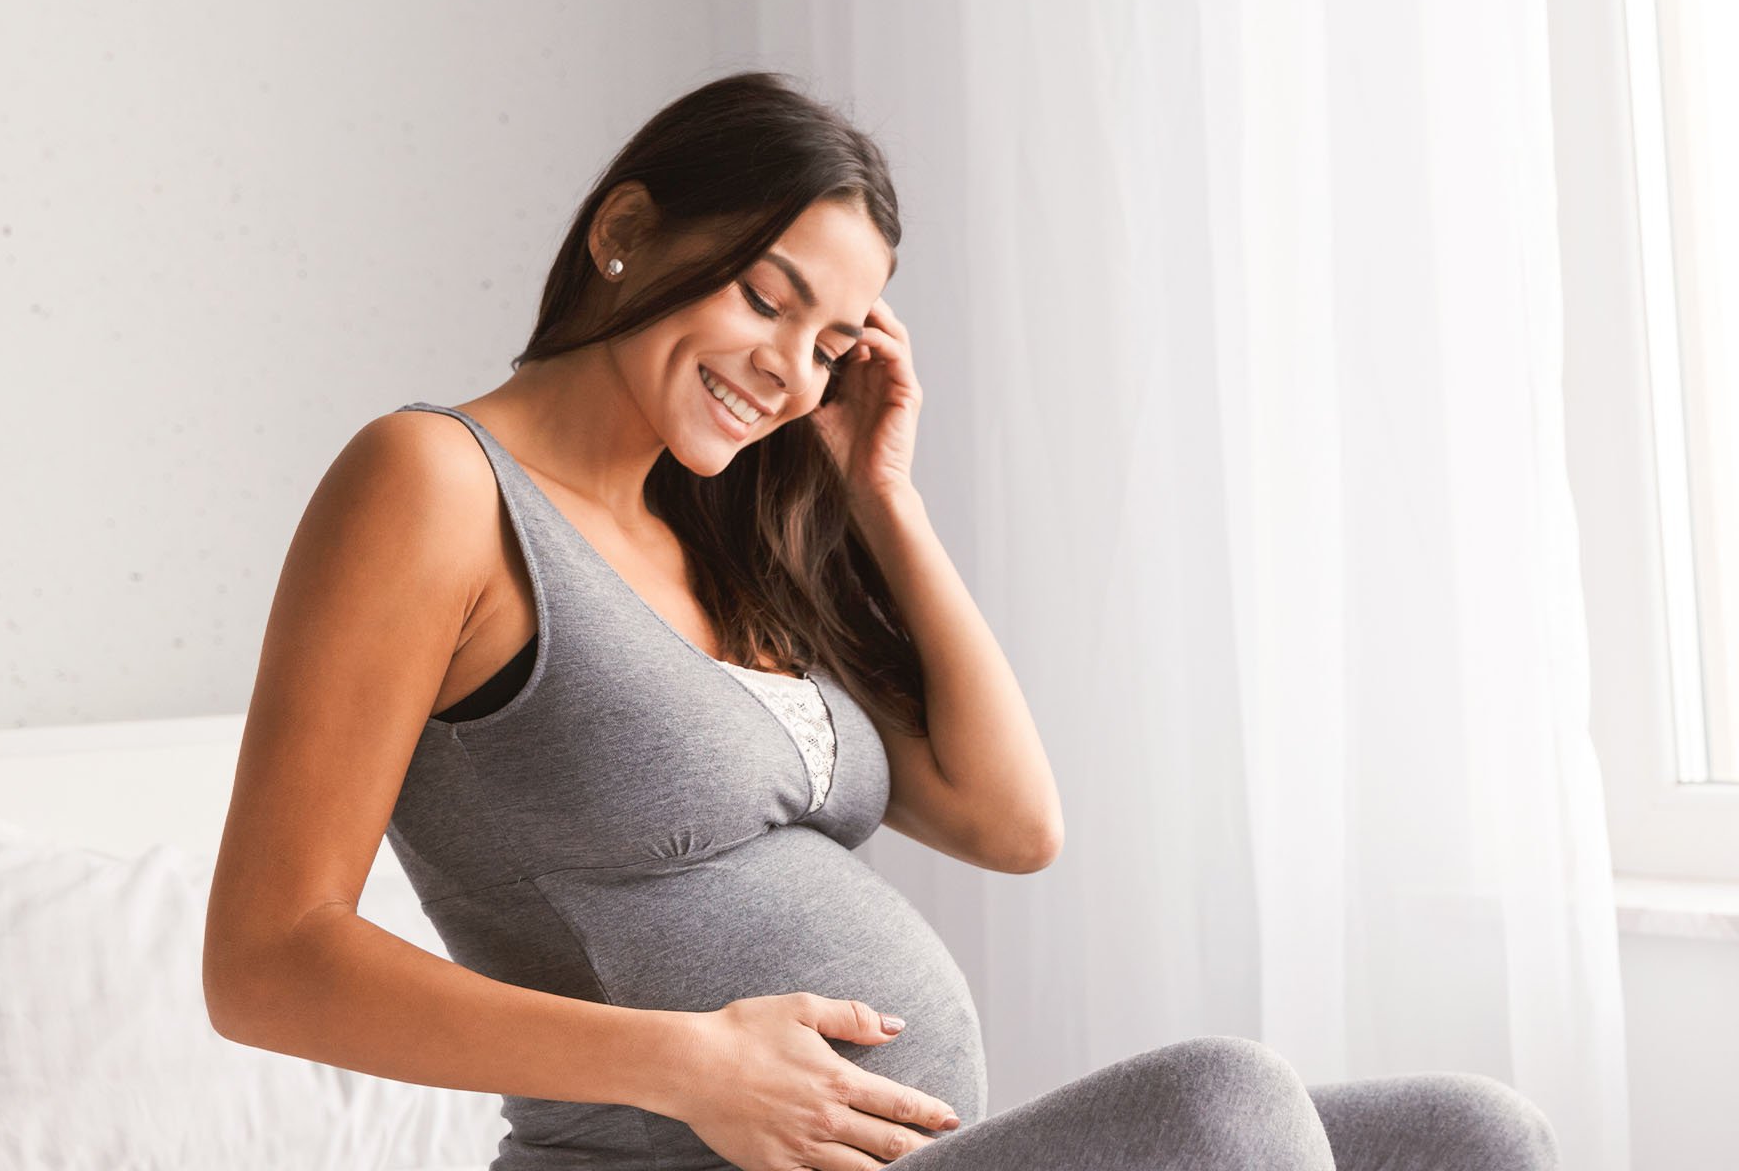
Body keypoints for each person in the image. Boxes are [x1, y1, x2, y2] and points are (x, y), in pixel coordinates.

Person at [202, 71, 1561, 1170]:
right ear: (625, 236)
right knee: (1220, 1112)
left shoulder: (720, 542)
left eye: (834, 343)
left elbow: (1010, 820)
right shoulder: (436, 485)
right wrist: (688, 1064)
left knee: (1471, 1138)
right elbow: (262, 964)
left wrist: (883, 495)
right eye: (764, 297)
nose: (788, 372)